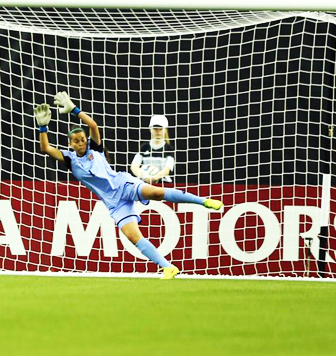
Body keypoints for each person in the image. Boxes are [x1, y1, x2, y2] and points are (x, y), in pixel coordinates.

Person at [34, 92, 223, 279]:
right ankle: (168, 267)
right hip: (114, 203)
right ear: (70, 144)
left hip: (123, 184)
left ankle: (204, 201)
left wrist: (75, 110)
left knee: (156, 193)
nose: (81, 143)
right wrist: (43, 127)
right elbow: (46, 148)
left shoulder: (95, 148)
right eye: (76, 141)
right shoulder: (70, 159)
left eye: (83, 139)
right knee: (133, 236)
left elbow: (92, 125)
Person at [130, 115, 175, 184]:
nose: (158, 132)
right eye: (155, 128)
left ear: (165, 130)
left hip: (163, 183)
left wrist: (154, 178)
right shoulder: (144, 147)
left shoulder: (169, 149)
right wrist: (143, 176)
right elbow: (134, 166)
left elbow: (167, 170)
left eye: (160, 129)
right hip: (145, 183)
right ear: (150, 129)